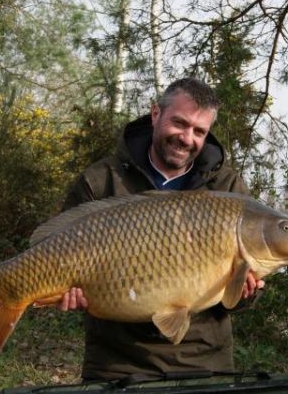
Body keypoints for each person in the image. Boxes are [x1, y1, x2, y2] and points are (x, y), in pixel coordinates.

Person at [58, 77, 264, 381]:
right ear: (156, 114)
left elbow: (240, 299)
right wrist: (72, 292)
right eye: (179, 123)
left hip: (205, 361)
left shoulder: (227, 189)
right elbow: (60, 251)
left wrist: (245, 293)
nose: (187, 138)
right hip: (117, 361)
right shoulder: (103, 180)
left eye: (199, 131)